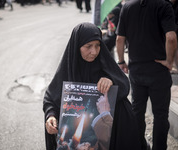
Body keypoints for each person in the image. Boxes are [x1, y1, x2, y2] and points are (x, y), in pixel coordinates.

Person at [43, 22, 141, 150]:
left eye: (98, 45)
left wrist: (111, 80)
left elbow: (124, 84)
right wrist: (50, 115)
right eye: (88, 46)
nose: (94, 52)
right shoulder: (68, 70)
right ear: (77, 46)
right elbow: (51, 98)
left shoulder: (103, 63)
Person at [116, 0, 177, 150]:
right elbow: (171, 37)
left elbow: (119, 39)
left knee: (137, 112)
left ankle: (139, 146)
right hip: (158, 71)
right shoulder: (163, 5)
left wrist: (121, 61)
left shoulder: (127, 6)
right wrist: (169, 62)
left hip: (136, 71)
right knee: (161, 115)